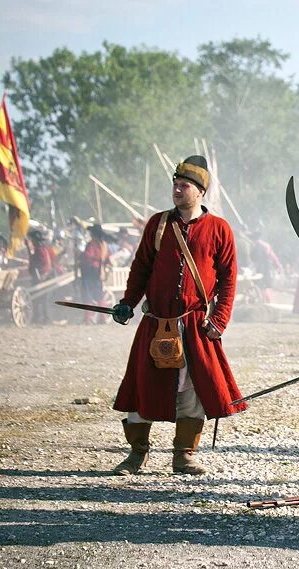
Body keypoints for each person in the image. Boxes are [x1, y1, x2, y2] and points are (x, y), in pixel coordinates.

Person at [110, 155, 246, 476]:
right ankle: (136, 454)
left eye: (184, 185)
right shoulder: (158, 224)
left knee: (192, 389)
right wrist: (128, 302)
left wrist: (219, 320)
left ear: (200, 192)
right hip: (156, 321)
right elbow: (141, 268)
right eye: (175, 184)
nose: (177, 190)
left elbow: (228, 278)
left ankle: (183, 455)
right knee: (142, 385)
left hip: (195, 323)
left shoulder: (219, 229)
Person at [77, 224, 111, 324]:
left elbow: (88, 256)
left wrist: (80, 254)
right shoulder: (103, 244)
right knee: (99, 295)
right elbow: (107, 259)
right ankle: (102, 318)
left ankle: (88, 318)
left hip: (89, 271)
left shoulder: (92, 244)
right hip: (98, 271)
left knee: (86, 293)